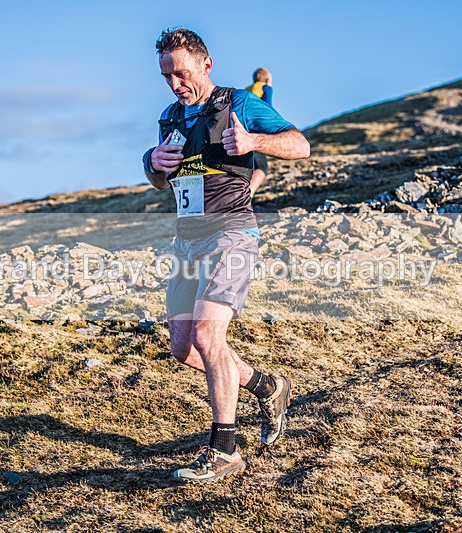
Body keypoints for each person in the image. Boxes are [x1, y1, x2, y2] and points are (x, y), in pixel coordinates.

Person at [142, 28, 310, 483]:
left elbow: (300, 144)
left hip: (231, 232)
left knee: (207, 334)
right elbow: (161, 181)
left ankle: (225, 450)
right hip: (188, 240)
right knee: (184, 348)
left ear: (206, 64)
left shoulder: (239, 103)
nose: (175, 83)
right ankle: (267, 385)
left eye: (181, 72)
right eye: (167, 76)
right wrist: (155, 165)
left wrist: (255, 143)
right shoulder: (169, 117)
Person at [245, 68, 274, 197]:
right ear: (268, 80)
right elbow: (268, 109)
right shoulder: (266, 88)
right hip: (254, 132)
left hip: (239, 129)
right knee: (262, 168)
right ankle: (245, 197)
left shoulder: (247, 89)